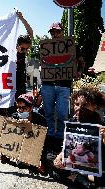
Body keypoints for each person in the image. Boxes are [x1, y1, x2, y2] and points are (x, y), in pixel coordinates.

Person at [41, 22, 84, 152]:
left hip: (64, 86)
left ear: (62, 32)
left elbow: (81, 61)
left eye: (57, 31)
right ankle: (50, 135)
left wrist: (79, 71)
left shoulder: (72, 46)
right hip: (47, 84)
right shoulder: (46, 47)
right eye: (52, 32)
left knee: (62, 113)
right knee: (48, 112)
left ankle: (60, 136)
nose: (55, 34)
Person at [51, 87, 105, 189]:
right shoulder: (72, 122)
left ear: (94, 106)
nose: (79, 108)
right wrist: (59, 158)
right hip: (75, 164)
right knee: (51, 159)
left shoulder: (101, 125)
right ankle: (81, 180)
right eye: (76, 104)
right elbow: (67, 147)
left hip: (95, 168)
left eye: (84, 105)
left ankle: (81, 179)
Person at [1, 93, 46, 164]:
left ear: (31, 108)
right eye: (19, 107)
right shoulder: (14, 117)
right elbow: (7, 135)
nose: (21, 110)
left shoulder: (40, 120)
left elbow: (43, 140)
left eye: (24, 108)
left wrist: (30, 126)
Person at [15, 11, 33, 99]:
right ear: (17, 46)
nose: (25, 51)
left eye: (27, 49)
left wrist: (22, 19)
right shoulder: (10, 51)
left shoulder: (24, 53)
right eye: (23, 49)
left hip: (21, 85)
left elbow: (30, 33)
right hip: (10, 84)